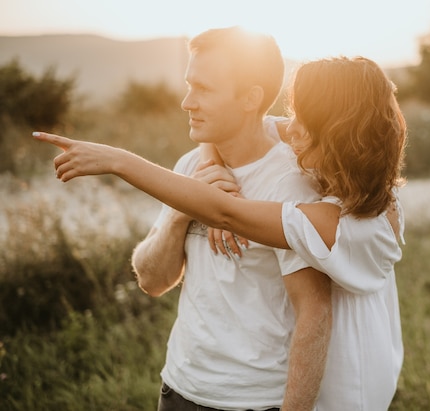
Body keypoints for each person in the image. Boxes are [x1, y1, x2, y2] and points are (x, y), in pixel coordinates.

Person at [34, 55, 406, 410]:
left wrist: (119, 160)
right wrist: (211, 150)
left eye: (303, 120)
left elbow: (226, 212)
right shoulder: (373, 195)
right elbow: (255, 125)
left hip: (348, 393)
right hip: (211, 385)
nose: (289, 127)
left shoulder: (328, 221)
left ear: (335, 136)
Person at [62, 26, 333, 411]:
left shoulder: (292, 184)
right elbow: (153, 280)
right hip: (178, 390)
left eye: (204, 89)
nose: (187, 102)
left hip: (256, 401)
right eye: (189, 86)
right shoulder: (190, 165)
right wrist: (180, 212)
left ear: (250, 98)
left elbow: (315, 312)